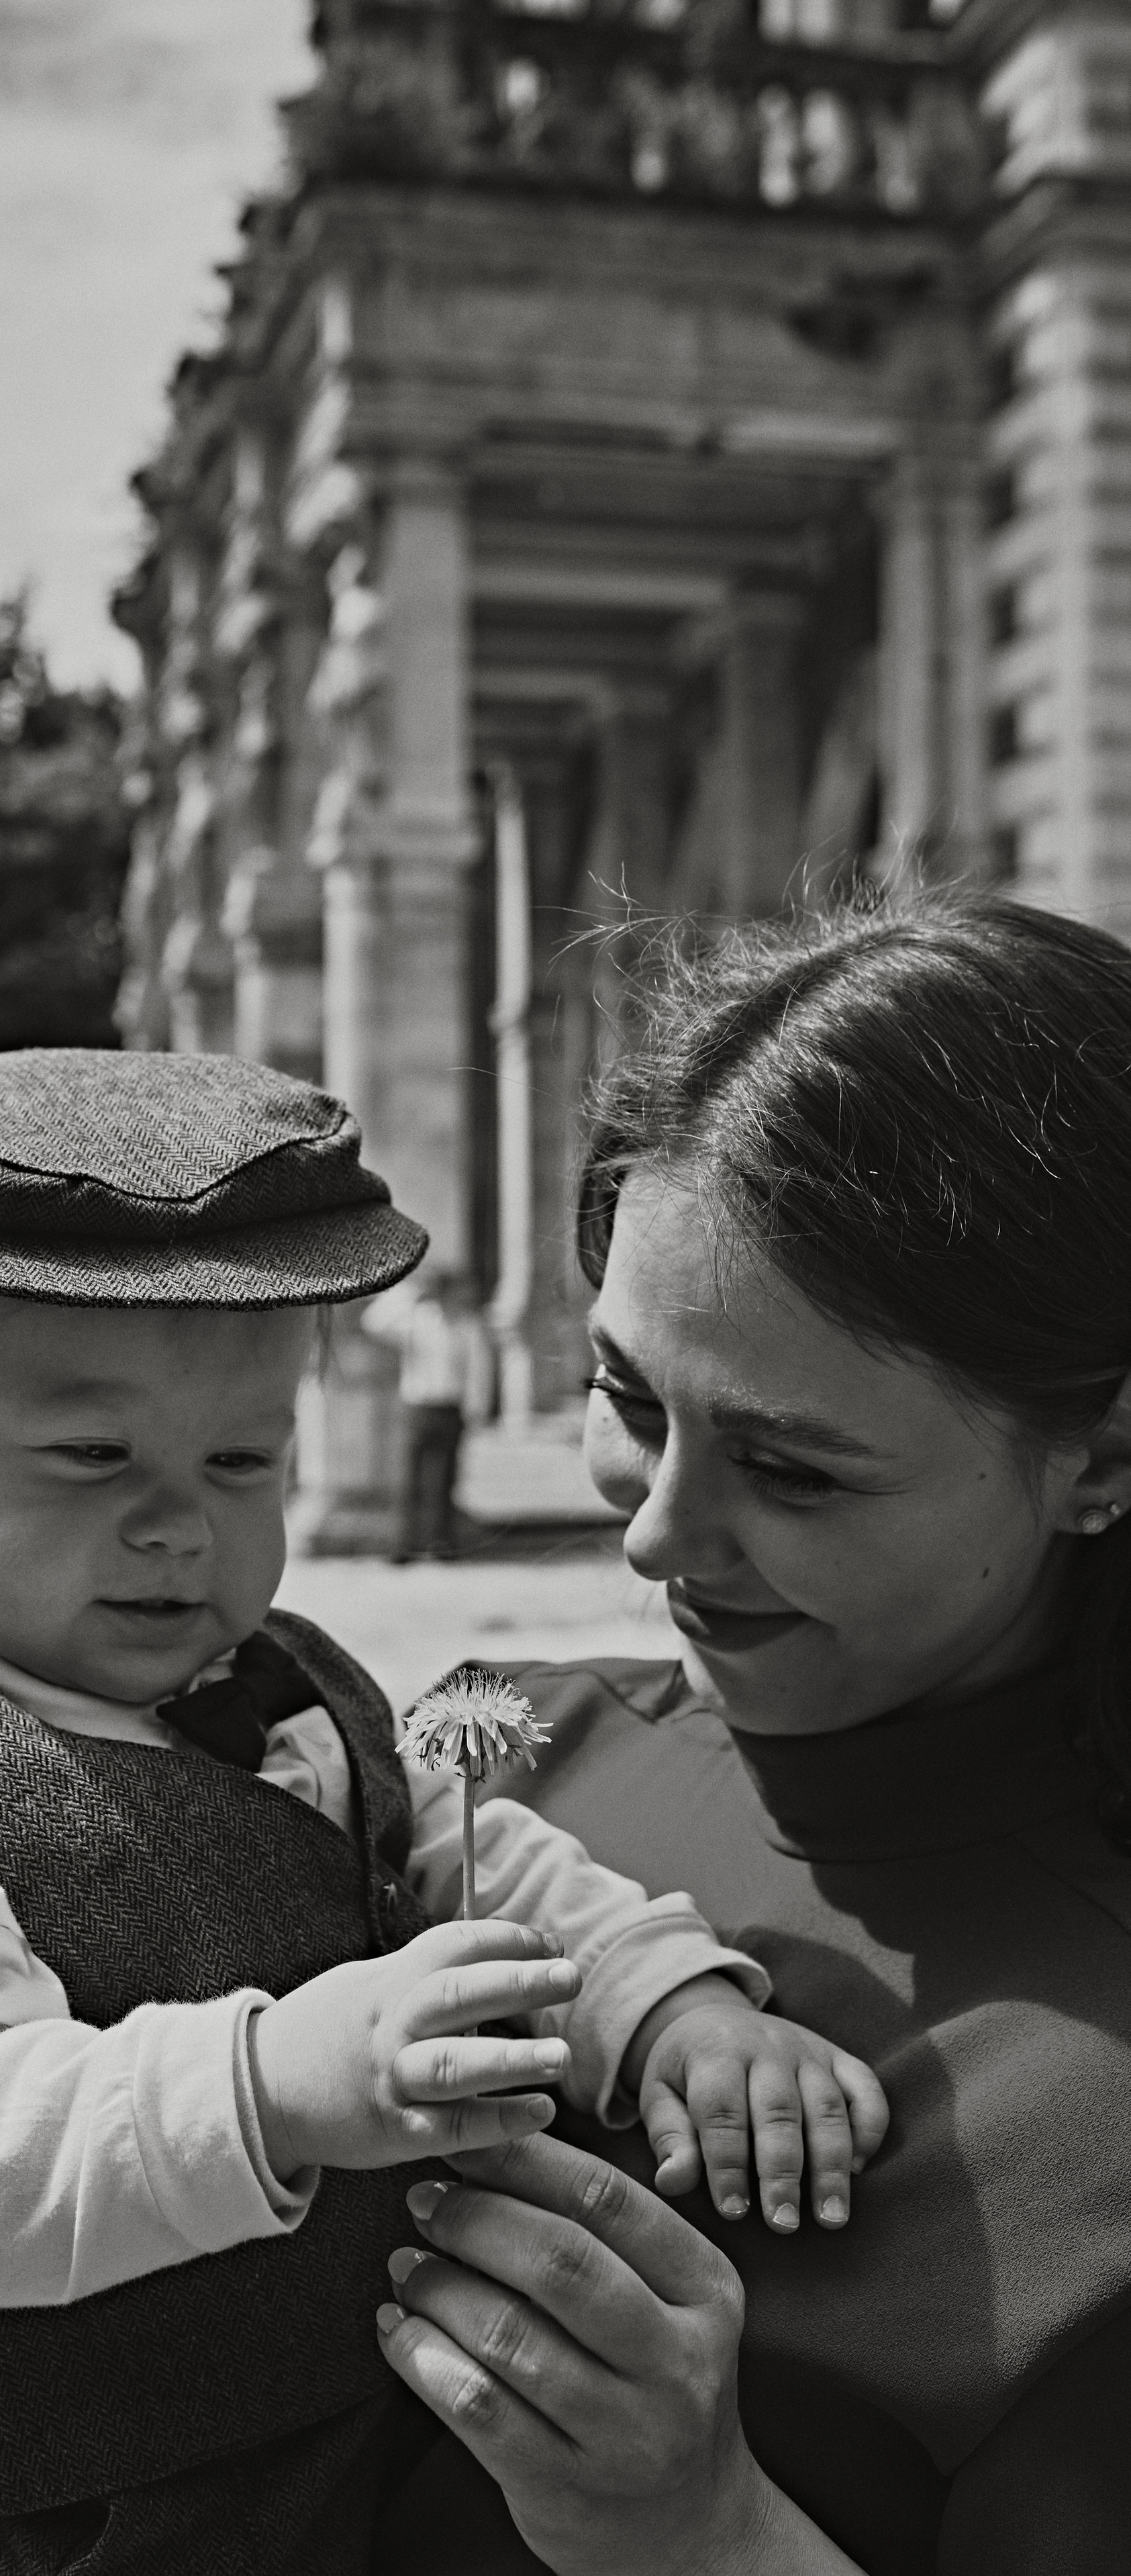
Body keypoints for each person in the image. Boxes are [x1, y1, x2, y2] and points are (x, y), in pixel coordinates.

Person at [0, 1047, 886, 2576]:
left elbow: (464, 1861)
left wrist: (660, 1999)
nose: (176, 1523)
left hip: (337, 2457)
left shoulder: (290, 1688)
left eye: (241, 1458)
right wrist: (272, 2081)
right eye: (90, 1456)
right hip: (64, 2526)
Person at [369, 888, 1131, 2575]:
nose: (654, 1537)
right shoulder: (482, 1748)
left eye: (789, 1469)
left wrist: (702, 2531)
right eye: (627, 1400)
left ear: (1097, 1456)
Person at [362, 1268, 495, 1560]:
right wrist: (408, 1294)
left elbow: (478, 1372)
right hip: (418, 1408)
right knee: (411, 1478)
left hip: (450, 1408)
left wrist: (476, 1411)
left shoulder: (466, 1325)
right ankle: (405, 1544)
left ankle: (441, 1542)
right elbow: (373, 1322)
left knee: (446, 1478)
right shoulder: (416, 1320)